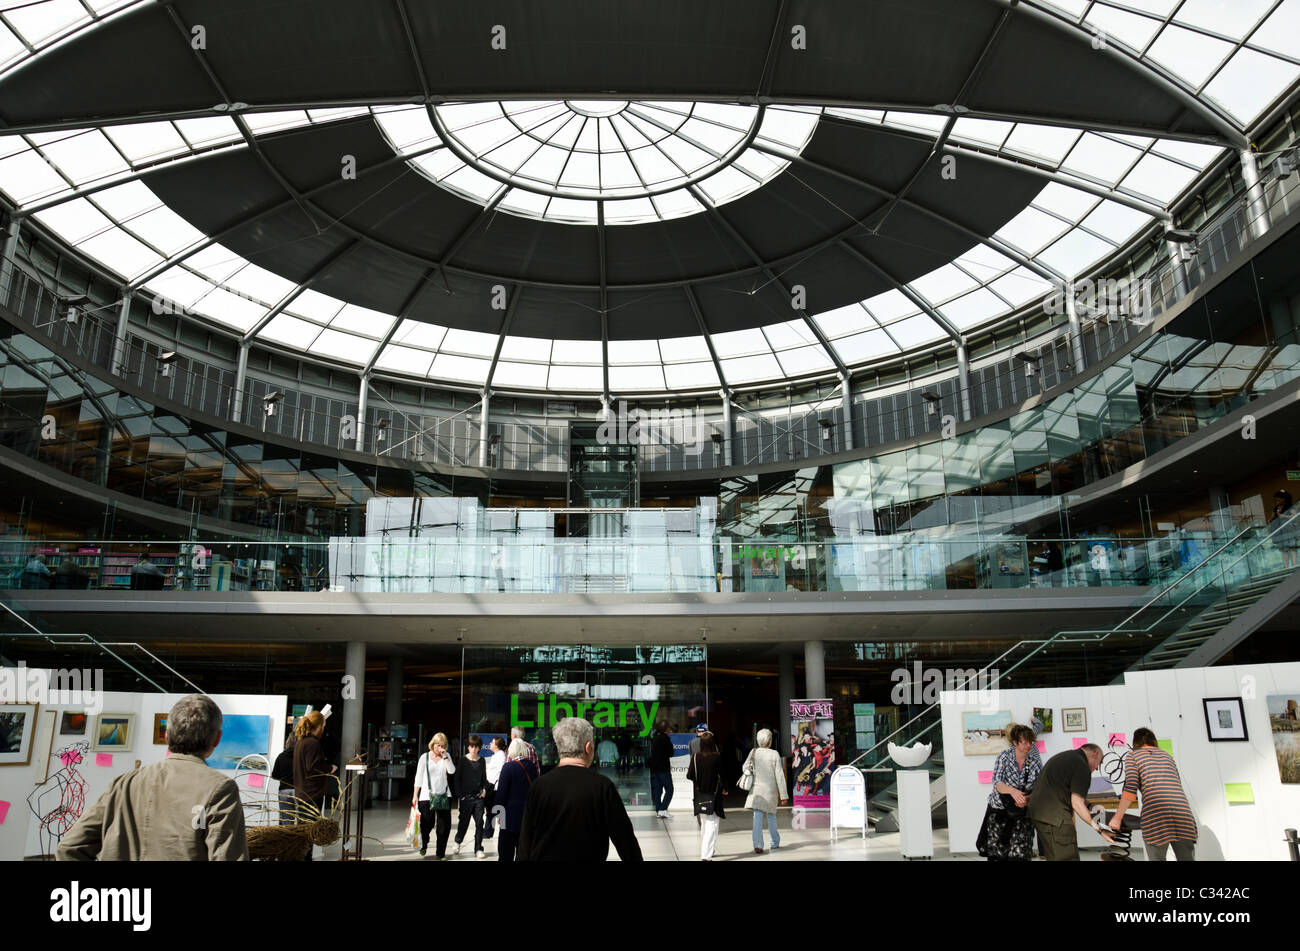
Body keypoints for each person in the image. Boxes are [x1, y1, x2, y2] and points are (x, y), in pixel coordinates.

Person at [57, 694, 248, 860]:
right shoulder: (220, 788)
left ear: (166, 736)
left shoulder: (123, 784)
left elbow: (69, 848)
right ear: (217, 739)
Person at [516, 717, 643, 862]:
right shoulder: (602, 787)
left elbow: (525, 842)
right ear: (588, 747)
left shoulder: (538, 786)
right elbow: (625, 841)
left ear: (559, 749)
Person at [1110, 728, 1197, 861]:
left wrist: (1117, 817)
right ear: (1153, 740)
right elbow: (1176, 784)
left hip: (1157, 814)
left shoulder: (1133, 756)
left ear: (1135, 743)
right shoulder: (1167, 756)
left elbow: (1130, 788)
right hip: (1183, 813)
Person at [1027, 743, 1114, 860]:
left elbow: (1068, 792)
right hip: (1056, 819)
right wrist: (1100, 829)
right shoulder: (1082, 766)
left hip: (1040, 816)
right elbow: (1077, 804)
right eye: (1100, 762)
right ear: (1095, 754)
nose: (1097, 768)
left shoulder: (1067, 757)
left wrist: (1090, 806)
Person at [977, 723, 1041, 861]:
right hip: (1000, 812)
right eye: (1025, 742)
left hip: (1022, 814)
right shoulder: (1004, 757)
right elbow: (997, 783)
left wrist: (1027, 799)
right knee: (997, 853)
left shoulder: (1034, 762)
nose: (1028, 745)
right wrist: (1013, 791)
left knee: (1021, 854)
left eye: (1031, 742)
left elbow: (1038, 789)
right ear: (1015, 743)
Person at [292, 710, 336, 860]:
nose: (324, 728)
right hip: (312, 794)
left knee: (303, 830)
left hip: (302, 792)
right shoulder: (312, 743)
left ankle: (302, 857)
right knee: (310, 831)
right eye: (323, 725)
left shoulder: (300, 742)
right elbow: (314, 767)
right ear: (319, 726)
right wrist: (330, 768)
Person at [742, 728, 788, 854]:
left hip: (757, 790)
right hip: (771, 791)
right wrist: (783, 795)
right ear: (770, 741)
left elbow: (745, 767)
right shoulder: (774, 754)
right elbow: (779, 775)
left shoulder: (754, 752)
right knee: (772, 816)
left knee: (757, 817)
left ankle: (758, 844)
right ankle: (774, 842)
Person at [494, 737, 539, 862]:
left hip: (508, 818)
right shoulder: (532, 766)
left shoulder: (508, 767)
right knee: (524, 852)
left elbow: (501, 794)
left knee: (505, 853)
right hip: (527, 816)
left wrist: (498, 815)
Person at [412, 732, 456, 858]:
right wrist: (415, 795)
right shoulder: (424, 757)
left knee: (444, 827)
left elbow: (452, 771)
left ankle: (440, 852)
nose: (440, 748)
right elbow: (418, 777)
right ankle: (424, 844)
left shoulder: (446, 756)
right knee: (426, 824)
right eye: (438, 745)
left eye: (442, 746)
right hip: (426, 796)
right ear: (433, 744)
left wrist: (445, 757)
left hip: (443, 795)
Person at [686, 730, 727, 861]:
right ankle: (706, 854)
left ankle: (707, 850)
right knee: (712, 824)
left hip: (700, 795)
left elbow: (689, 775)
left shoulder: (696, 757)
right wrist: (724, 788)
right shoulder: (717, 757)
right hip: (713, 795)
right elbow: (723, 776)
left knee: (704, 823)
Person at [452, 734, 489, 858]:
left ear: (479, 748)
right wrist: (460, 796)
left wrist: (484, 789)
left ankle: (478, 848)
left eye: (476, 747)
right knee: (464, 822)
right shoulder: (463, 760)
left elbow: (484, 779)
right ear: (468, 747)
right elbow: (457, 779)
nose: (473, 749)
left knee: (479, 823)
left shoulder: (482, 760)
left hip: (478, 798)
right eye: (471, 747)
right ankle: (458, 841)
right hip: (466, 798)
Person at [649, 719, 675, 818]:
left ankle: (658, 810)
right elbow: (670, 753)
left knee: (658, 790)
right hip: (663, 768)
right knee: (669, 789)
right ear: (666, 729)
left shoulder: (655, 738)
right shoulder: (665, 738)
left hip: (655, 768)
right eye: (668, 727)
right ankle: (663, 809)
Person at [484, 736, 507, 842]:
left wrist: (492, 785)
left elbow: (500, 772)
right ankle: (488, 831)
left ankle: (488, 831)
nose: (490, 744)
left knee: (493, 810)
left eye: (492, 742)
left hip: (494, 787)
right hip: (490, 785)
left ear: (497, 746)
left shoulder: (501, 756)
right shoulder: (495, 755)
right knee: (490, 809)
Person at [270, 733, 297, 826]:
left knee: (287, 822)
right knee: (302, 821)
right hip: (299, 790)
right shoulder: (301, 756)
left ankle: (289, 840)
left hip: (284, 790)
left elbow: (274, 775)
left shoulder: (281, 756)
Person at [1270, 489, 1297, 569]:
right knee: (1283, 549)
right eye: (1276, 498)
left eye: (1279, 498)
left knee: (1292, 547)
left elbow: (1295, 516)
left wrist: (1284, 516)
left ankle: (1294, 565)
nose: (1277, 500)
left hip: (1288, 530)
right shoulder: (1276, 508)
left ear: (1284, 498)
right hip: (1279, 531)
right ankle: (1286, 567)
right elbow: (1272, 518)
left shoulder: (1289, 507)